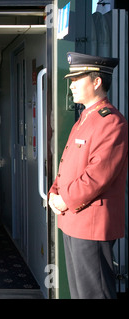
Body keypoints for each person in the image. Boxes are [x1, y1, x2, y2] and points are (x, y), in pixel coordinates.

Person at [48, 52, 128, 299]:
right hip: (74, 219)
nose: (71, 84)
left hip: (91, 223)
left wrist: (65, 199)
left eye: (77, 78)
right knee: (81, 293)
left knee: (95, 293)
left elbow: (97, 176)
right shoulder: (85, 118)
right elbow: (68, 164)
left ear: (96, 82)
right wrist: (54, 191)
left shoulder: (111, 122)